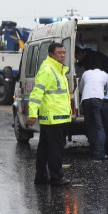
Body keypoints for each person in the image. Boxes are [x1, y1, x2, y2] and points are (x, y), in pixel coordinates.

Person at [27, 42, 72, 186]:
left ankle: (41, 176)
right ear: (51, 54)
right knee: (55, 149)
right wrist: (32, 113)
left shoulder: (59, 69)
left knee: (45, 149)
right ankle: (56, 177)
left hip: (56, 117)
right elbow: (36, 93)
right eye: (60, 53)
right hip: (54, 118)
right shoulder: (48, 69)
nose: (63, 55)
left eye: (64, 52)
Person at [80, 67, 108, 161]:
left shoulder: (85, 73)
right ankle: (100, 153)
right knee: (99, 126)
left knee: (90, 127)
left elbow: (81, 88)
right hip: (98, 99)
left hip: (85, 100)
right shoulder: (106, 75)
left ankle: (93, 151)